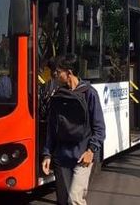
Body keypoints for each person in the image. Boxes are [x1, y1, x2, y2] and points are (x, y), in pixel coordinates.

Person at [42, 54, 105, 205]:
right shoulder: (57, 95)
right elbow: (52, 128)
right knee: (63, 201)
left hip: (82, 156)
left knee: (75, 200)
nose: (54, 75)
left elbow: (99, 128)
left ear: (69, 73)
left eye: (57, 72)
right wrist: (46, 154)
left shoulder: (89, 93)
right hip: (61, 157)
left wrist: (91, 151)